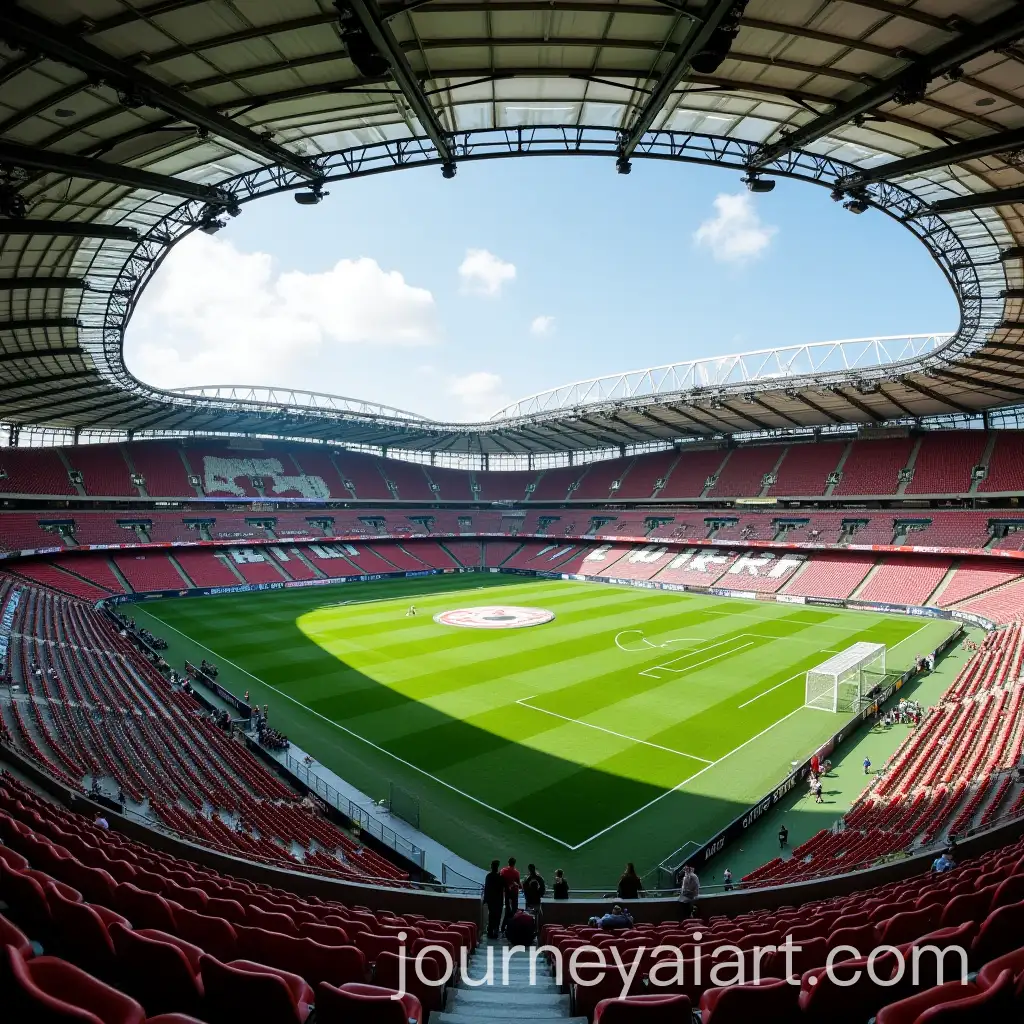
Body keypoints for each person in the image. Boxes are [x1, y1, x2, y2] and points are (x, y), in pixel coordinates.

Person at [483, 859, 505, 939]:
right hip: (498, 900)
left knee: (491, 915)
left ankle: (490, 932)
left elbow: (487, 888)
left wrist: (485, 899)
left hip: (491, 900)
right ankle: (495, 932)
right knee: (497, 916)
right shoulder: (501, 877)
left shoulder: (489, 876)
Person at [499, 856, 521, 934]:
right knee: (514, 910)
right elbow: (519, 884)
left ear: (508, 863)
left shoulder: (503, 871)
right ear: (514, 863)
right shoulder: (516, 872)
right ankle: (510, 927)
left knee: (508, 911)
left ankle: (503, 927)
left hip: (507, 893)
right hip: (514, 893)